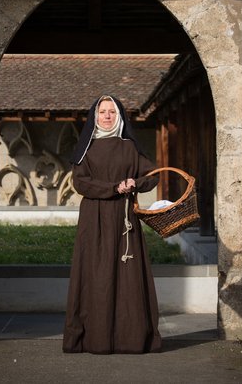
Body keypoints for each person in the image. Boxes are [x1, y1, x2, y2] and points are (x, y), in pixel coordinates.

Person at [62, 95, 162, 354]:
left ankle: (130, 339)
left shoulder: (130, 147)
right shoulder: (87, 148)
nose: (107, 116)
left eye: (112, 112)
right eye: (102, 112)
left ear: (120, 117)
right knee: (97, 277)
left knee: (128, 277)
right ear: (94, 116)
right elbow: (80, 182)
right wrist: (112, 187)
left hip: (124, 218)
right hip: (94, 220)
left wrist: (134, 183)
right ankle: (95, 339)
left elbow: (151, 176)